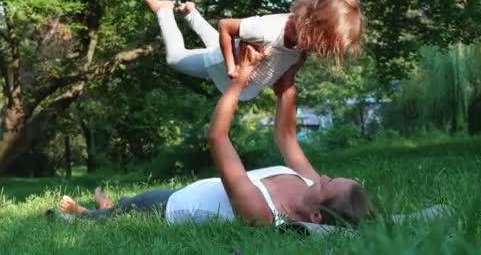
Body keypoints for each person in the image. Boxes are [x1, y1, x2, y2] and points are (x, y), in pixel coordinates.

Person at [56, 43, 376, 227]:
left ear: (316, 215)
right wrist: (288, 81)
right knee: (125, 204)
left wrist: (240, 79)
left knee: (119, 213)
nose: (321, 176)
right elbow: (287, 137)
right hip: (196, 189)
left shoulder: (264, 212)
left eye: (328, 183)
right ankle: (105, 202)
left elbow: (218, 138)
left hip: (172, 206)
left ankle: (86, 213)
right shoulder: (308, 184)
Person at [142, 0, 362, 101]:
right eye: (323, 45)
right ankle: (164, 10)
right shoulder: (268, 30)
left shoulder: (303, 40)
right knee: (176, 59)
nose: (319, 51)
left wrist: (286, 81)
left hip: (237, 63)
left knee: (218, 45)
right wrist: (231, 68)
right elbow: (226, 26)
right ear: (313, 26)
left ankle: (191, 14)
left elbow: (294, 60)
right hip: (219, 65)